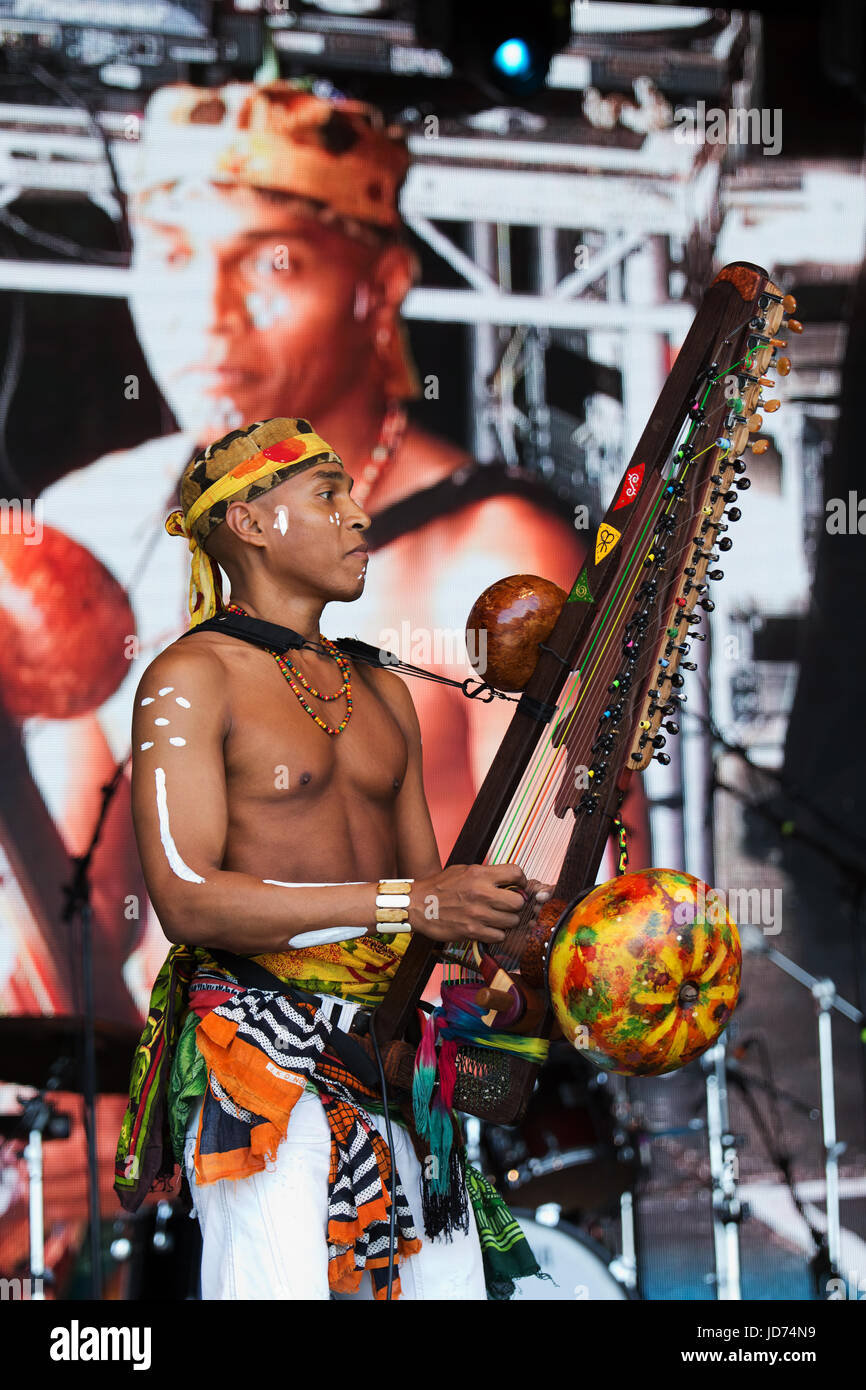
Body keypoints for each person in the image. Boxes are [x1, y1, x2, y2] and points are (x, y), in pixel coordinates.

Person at [28, 78, 605, 1017]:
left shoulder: (492, 546)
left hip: (418, 1084)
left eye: (271, 266)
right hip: (200, 1090)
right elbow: (84, 917)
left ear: (379, 291)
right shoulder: (94, 519)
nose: (206, 314)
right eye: (172, 258)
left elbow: (566, 920)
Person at [116, 416, 554, 1300]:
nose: (359, 516)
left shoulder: (384, 685)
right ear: (248, 523)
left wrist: (502, 949)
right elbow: (189, 901)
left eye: (354, 493)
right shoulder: (190, 677)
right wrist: (414, 906)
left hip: (395, 1064)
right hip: (261, 1055)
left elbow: (434, 910)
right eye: (328, 494)